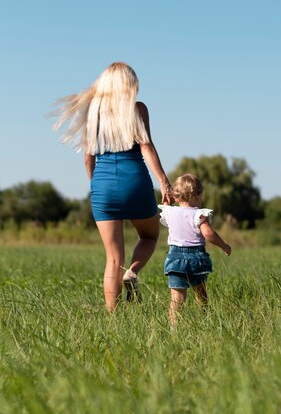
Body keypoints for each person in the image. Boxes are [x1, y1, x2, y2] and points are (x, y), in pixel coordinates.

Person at [52, 62, 171, 311]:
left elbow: (88, 157)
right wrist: (163, 179)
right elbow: (146, 147)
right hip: (135, 181)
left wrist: (97, 186)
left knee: (112, 258)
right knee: (149, 236)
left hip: (103, 185)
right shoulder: (137, 109)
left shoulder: (93, 113)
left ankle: (112, 318)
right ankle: (133, 272)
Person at [159, 173, 231, 325]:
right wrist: (224, 245)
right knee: (200, 293)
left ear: (176, 197)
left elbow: (167, 208)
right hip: (196, 258)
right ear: (196, 196)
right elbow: (208, 233)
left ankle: (173, 329)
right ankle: (204, 319)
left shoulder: (169, 212)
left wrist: (168, 201)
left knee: (176, 298)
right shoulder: (199, 214)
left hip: (175, 258)